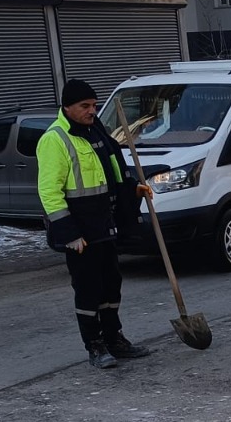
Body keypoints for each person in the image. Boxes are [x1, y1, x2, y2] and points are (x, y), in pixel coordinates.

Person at [38, 78, 154, 370]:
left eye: (93, 105)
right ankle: (95, 345)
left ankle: (114, 338)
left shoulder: (96, 133)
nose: (92, 110)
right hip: (80, 229)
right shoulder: (55, 139)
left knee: (111, 284)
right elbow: (49, 192)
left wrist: (131, 191)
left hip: (104, 224)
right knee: (88, 288)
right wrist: (70, 233)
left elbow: (110, 173)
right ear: (67, 107)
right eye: (85, 106)